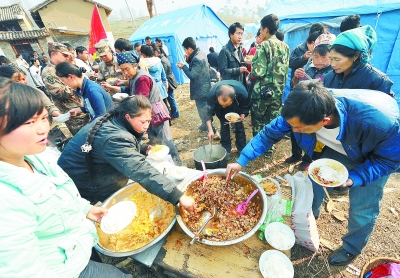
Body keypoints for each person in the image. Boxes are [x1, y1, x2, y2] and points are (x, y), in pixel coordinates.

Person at [226, 80, 400, 266]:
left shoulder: (382, 125)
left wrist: (354, 178)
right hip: (341, 146)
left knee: (363, 207)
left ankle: (351, 248)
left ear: (324, 121)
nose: (292, 131)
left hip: (374, 153)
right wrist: (241, 161)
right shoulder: (303, 106)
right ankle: (309, 217)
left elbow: (388, 160)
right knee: (315, 181)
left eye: (299, 128)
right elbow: (270, 133)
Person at [0, 79, 132, 277]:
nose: (43, 128)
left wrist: (84, 209)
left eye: (44, 118)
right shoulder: (5, 197)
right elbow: (22, 271)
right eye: (29, 122)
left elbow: (58, 194)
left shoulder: (38, 156)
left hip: (74, 246)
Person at [58, 94, 195, 210]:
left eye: (149, 121)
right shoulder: (113, 137)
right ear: (128, 117)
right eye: (143, 122)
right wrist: (177, 196)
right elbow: (140, 169)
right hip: (81, 181)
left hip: (89, 170)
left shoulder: (115, 120)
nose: (147, 126)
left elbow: (122, 141)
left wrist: (141, 148)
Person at [101, 52, 182, 165]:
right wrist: (112, 87)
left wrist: (124, 105)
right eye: (122, 70)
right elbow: (127, 89)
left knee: (166, 142)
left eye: (127, 69)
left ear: (135, 65)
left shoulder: (142, 78)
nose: (125, 73)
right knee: (154, 142)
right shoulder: (134, 76)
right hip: (147, 115)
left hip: (157, 114)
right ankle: (165, 165)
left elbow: (140, 103)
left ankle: (178, 165)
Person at [286, 33, 336, 170]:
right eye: (316, 56)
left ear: (331, 56)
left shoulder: (333, 73)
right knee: (295, 131)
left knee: (314, 136)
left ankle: (308, 158)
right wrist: (296, 78)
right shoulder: (308, 67)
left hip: (317, 111)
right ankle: (296, 154)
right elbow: (295, 87)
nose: (319, 60)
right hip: (301, 108)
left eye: (323, 57)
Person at [250, 14, 289, 156]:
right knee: (271, 121)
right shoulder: (285, 46)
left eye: (260, 29)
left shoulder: (264, 45)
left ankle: (258, 148)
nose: (260, 32)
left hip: (262, 93)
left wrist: (252, 69)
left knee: (258, 120)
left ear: (265, 29)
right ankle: (269, 149)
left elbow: (258, 72)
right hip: (278, 92)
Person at [324, 25, 394, 96]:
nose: (333, 64)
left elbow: (386, 105)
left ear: (356, 56)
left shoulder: (377, 80)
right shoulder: (329, 78)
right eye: (330, 59)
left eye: (337, 59)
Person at [42, 42, 89, 135]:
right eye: (64, 55)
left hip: (84, 106)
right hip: (73, 113)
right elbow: (60, 93)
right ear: (53, 54)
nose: (67, 57)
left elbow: (81, 77)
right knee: (84, 139)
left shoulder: (67, 65)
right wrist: (75, 83)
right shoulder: (48, 72)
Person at [205, 80, 250, 160]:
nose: (224, 107)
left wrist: (242, 116)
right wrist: (210, 130)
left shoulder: (242, 94)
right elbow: (207, 114)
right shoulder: (211, 96)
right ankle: (226, 150)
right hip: (220, 111)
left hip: (236, 107)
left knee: (239, 127)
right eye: (222, 104)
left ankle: (241, 148)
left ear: (234, 97)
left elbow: (245, 106)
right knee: (224, 126)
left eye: (226, 105)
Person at [176, 37, 213, 132]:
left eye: (185, 50)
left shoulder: (196, 58)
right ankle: (205, 124)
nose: (185, 51)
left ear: (190, 49)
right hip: (205, 85)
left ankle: (210, 128)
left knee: (202, 108)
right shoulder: (201, 54)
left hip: (200, 88)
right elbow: (197, 69)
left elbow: (192, 75)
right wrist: (188, 61)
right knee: (203, 107)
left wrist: (183, 67)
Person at [153, 45, 180, 119]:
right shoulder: (163, 58)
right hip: (169, 81)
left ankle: (175, 113)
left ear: (156, 52)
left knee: (171, 99)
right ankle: (174, 112)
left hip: (169, 82)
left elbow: (163, 74)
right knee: (171, 99)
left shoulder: (161, 61)